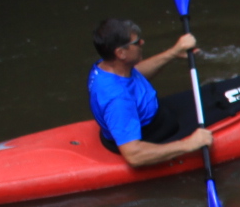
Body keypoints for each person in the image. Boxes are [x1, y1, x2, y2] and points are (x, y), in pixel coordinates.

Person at [88, 17, 216, 169]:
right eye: (136, 42)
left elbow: (135, 76)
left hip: (157, 115)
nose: (142, 43)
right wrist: (188, 145)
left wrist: (173, 53)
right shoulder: (118, 100)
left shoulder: (105, 68)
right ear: (121, 53)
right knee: (229, 103)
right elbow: (133, 155)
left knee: (214, 91)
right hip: (152, 134)